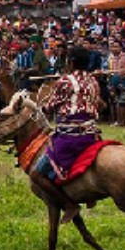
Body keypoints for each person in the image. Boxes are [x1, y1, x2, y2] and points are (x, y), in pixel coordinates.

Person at [31, 46, 102, 219]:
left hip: (70, 137)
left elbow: (51, 106)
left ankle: (69, 205)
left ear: (70, 62)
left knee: (36, 174)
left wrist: (43, 107)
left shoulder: (65, 81)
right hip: (91, 134)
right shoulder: (93, 81)